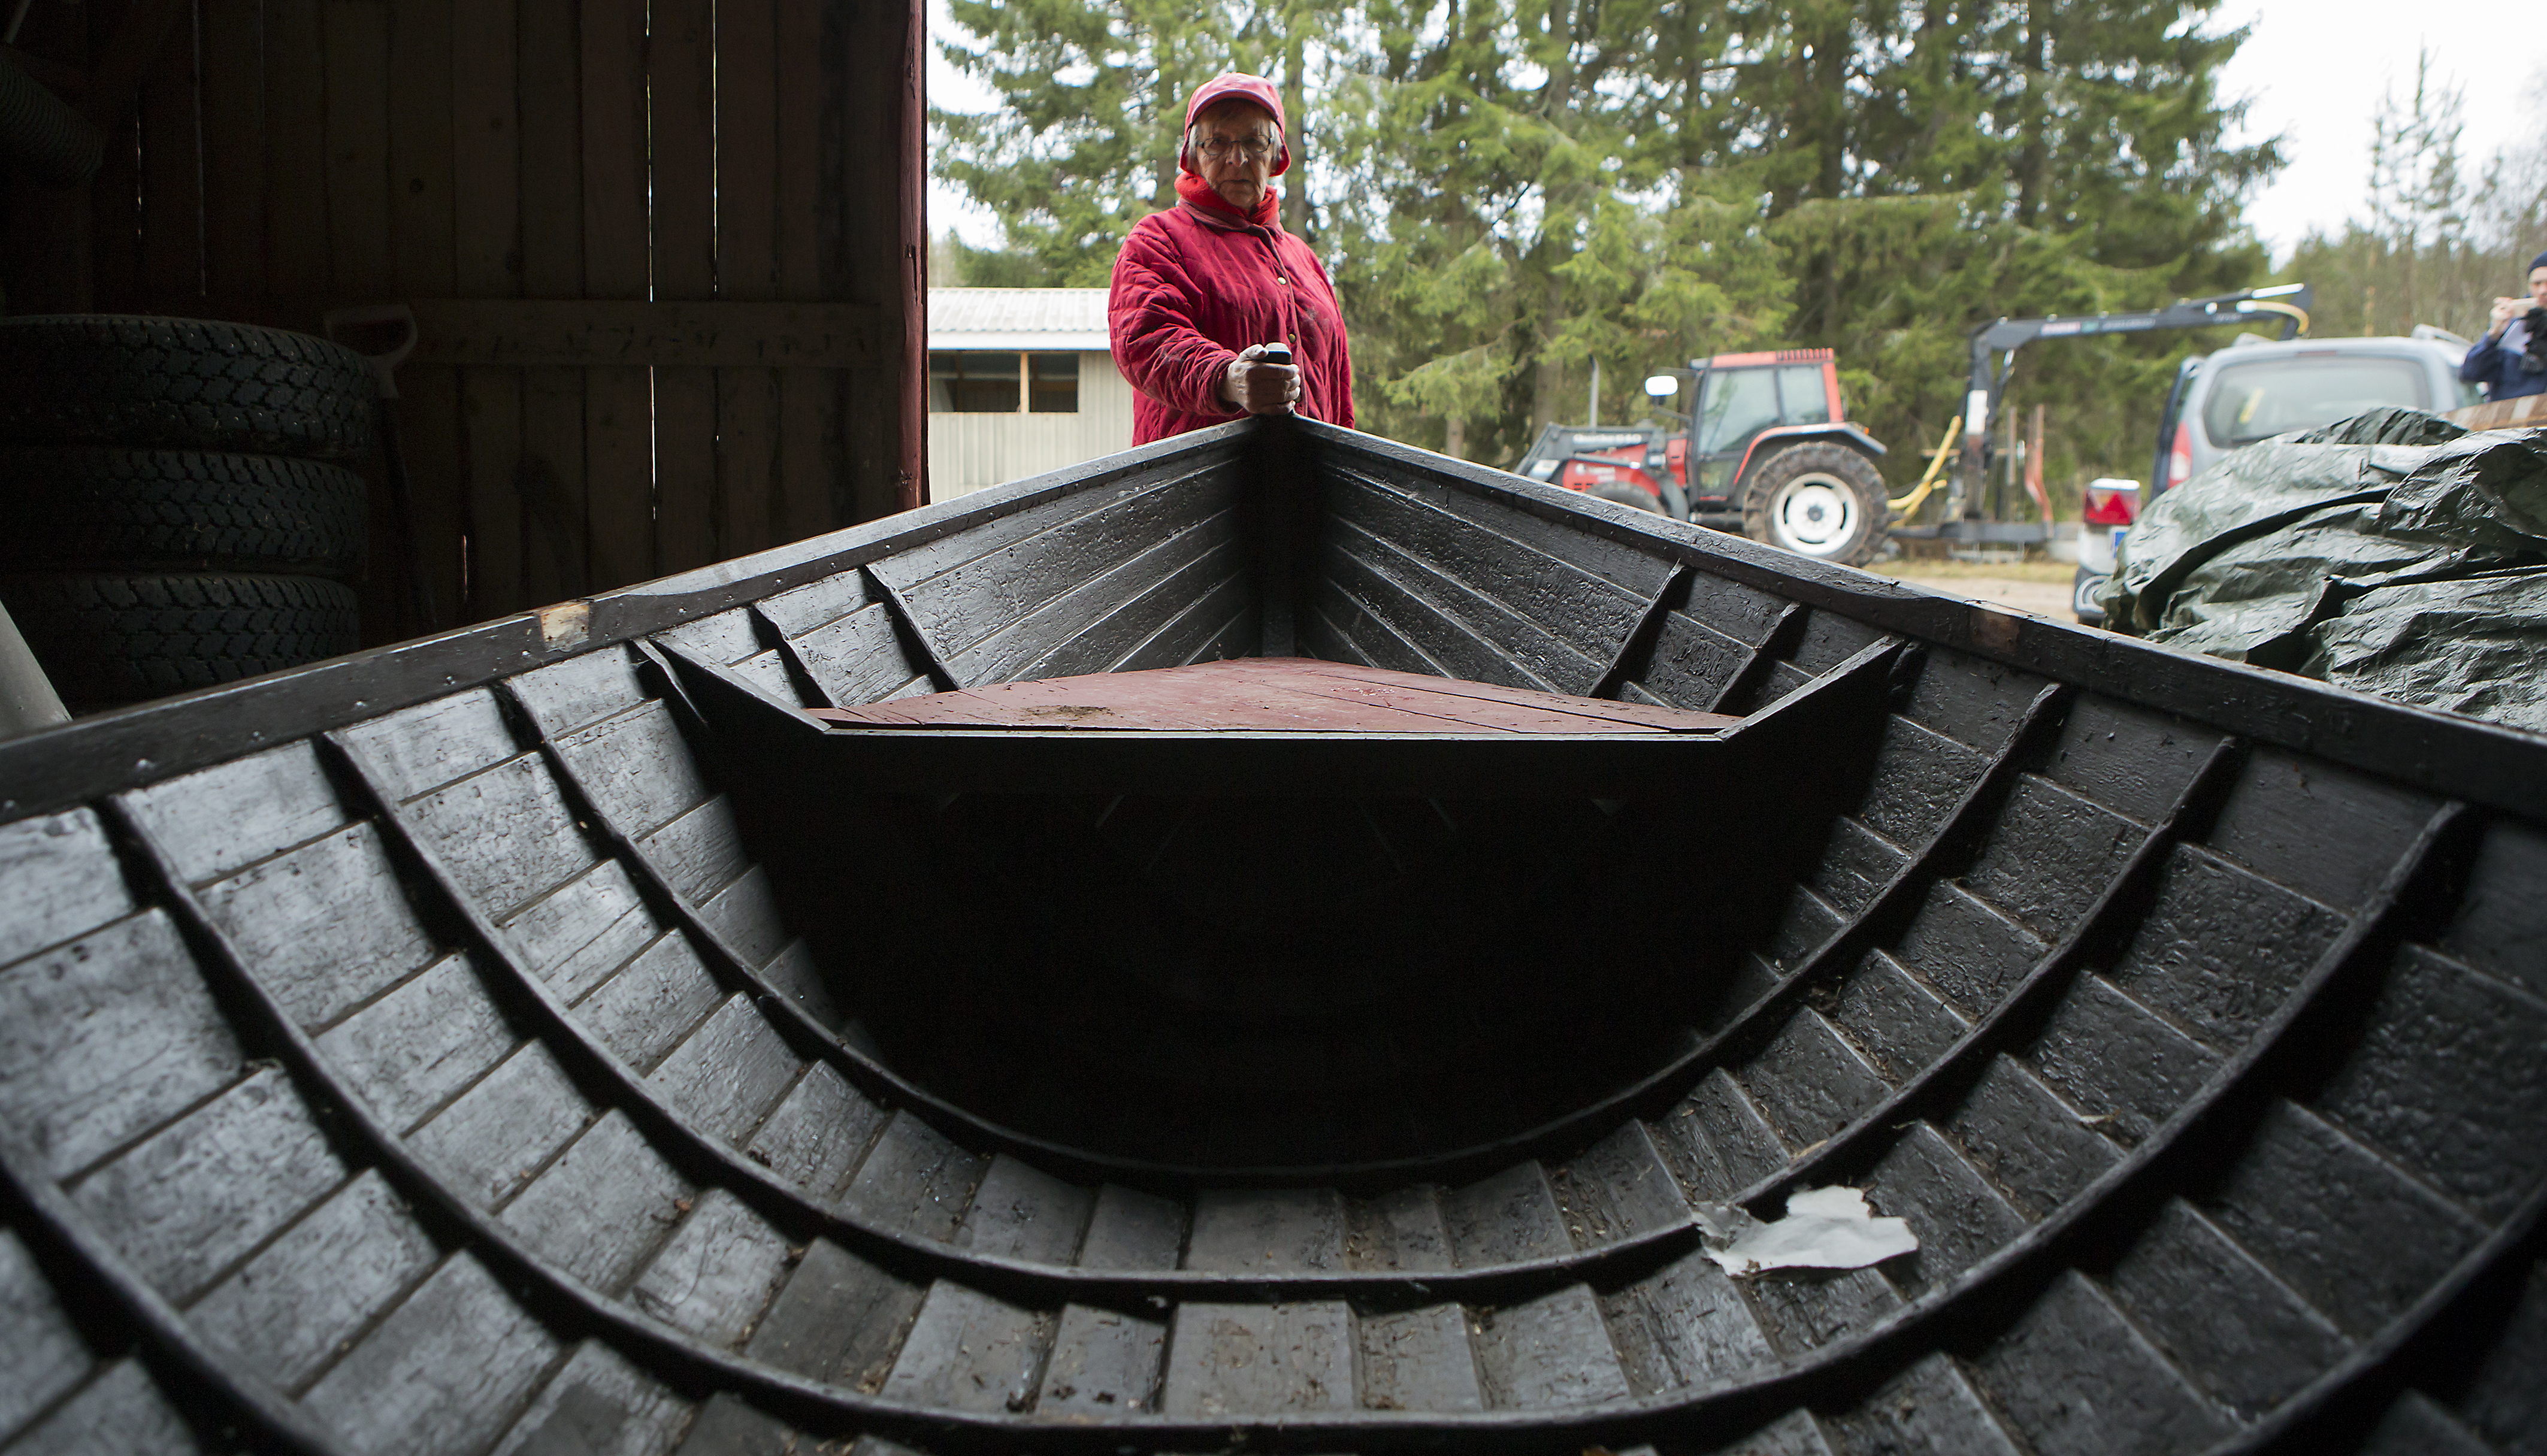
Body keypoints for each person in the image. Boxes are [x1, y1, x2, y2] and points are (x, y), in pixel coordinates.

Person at [1108, 72, 1354, 444]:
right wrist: (1225, 378)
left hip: (1309, 493)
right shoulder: (1157, 241)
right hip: (1196, 492)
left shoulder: (1305, 261)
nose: (1237, 160)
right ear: (1192, 157)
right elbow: (1145, 340)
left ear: (1277, 155)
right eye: (1217, 143)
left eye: (1255, 143)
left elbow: (1340, 395)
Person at [2460, 251, 2547, 402]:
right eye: (2537, 284)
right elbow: (2471, 373)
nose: (2543, 291)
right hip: (2511, 420)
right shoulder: (2512, 324)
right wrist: (2494, 335)